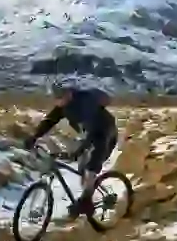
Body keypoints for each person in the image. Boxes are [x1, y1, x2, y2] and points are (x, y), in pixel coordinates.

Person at [24, 83, 119, 216]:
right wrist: (34, 137)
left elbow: (93, 131)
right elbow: (49, 121)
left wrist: (80, 150)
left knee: (92, 165)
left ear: (69, 94)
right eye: (56, 98)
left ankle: (87, 202)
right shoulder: (63, 107)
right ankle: (85, 198)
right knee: (82, 170)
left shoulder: (85, 102)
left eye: (61, 97)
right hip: (88, 134)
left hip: (104, 132)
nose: (58, 101)